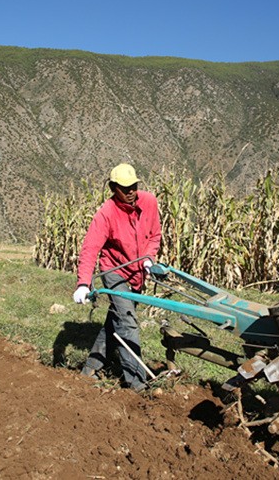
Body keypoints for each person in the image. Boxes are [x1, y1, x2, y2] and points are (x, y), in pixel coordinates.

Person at [73, 163, 162, 392]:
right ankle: (137, 384)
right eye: (125, 188)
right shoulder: (106, 214)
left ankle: (91, 368)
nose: (131, 191)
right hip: (115, 271)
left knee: (116, 320)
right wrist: (83, 283)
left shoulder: (149, 202)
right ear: (113, 188)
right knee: (128, 321)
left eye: (133, 185)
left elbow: (155, 234)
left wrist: (149, 258)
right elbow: (90, 249)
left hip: (138, 272)